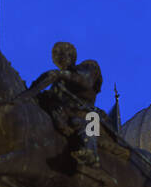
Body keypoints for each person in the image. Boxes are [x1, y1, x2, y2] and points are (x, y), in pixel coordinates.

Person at [26, 42, 109, 177]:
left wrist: (60, 75)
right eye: (55, 54)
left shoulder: (89, 66)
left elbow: (85, 81)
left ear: (72, 55)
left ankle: (90, 152)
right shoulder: (58, 82)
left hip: (86, 112)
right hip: (64, 116)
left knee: (90, 119)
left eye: (61, 53)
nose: (58, 57)